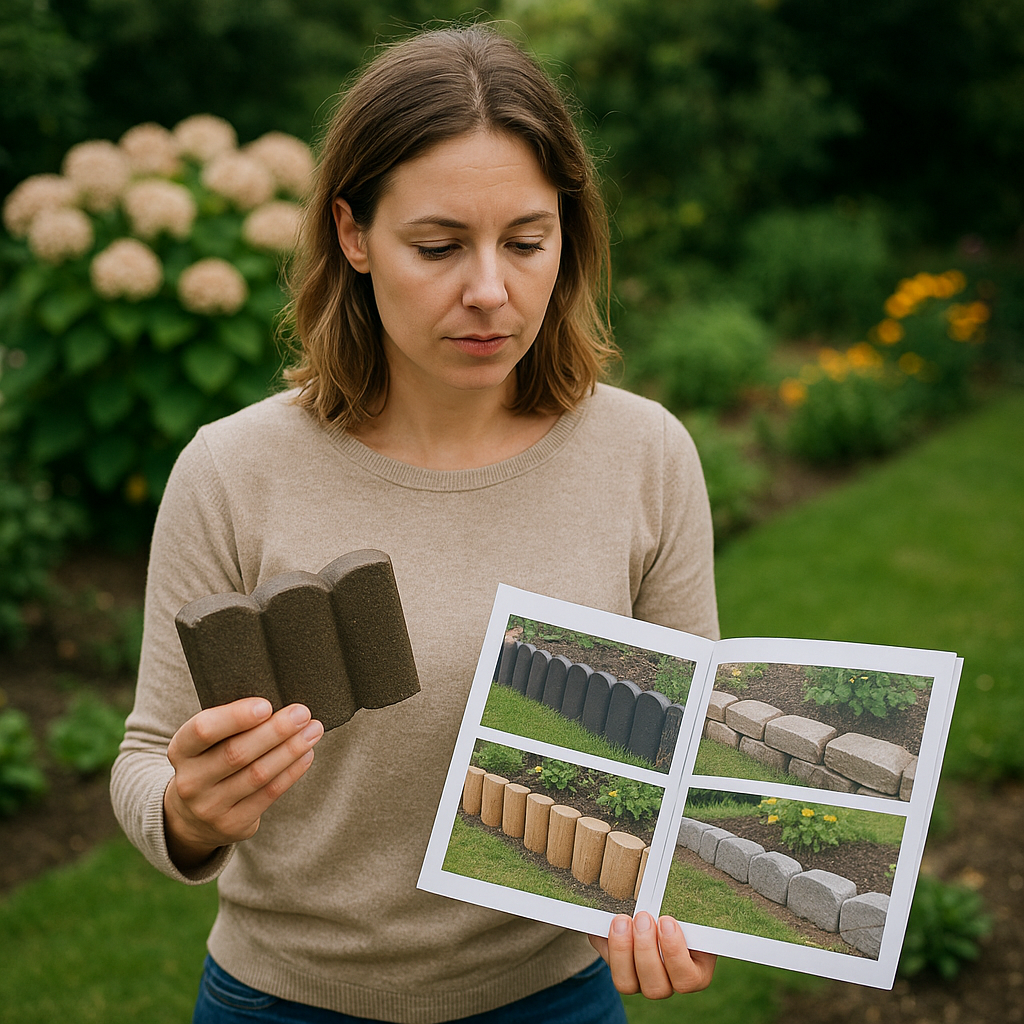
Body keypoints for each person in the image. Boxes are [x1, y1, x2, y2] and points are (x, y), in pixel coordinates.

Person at [111, 24, 720, 1024]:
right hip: (284, 999)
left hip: (551, 998)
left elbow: (684, 755)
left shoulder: (644, 453)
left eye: (526, 241)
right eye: (438, 246)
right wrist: (187, 812)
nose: (489, 290)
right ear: (353, 235)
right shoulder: (232, 471)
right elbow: (146, 755)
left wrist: (686, 900)